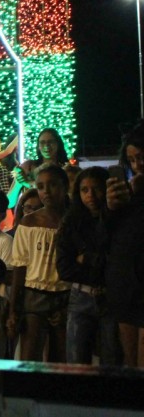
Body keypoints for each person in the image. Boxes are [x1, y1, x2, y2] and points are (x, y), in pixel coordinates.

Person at [8, 165, 71, 362]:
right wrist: (14, 308)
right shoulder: (28, 222)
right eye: (41, 186)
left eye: (53, 185)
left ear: (65, 186)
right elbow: (20, 267)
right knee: (30, 355)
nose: (46, 191)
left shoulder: (74, 220)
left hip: (65, 295)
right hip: (34, 294)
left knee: (60, 356)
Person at [57, 167, 118, 365]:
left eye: (96, 189)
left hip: (111, 296)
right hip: (81, 296)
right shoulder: (71, 222)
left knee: (111, 359)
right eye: (84, 190)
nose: (90, 195)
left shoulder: (118, 219)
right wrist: (97, 262)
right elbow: (64, 268)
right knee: (76, 361)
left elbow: (117, 263)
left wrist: (86, 259)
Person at [105, 122, 144, 367]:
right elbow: (107, 238)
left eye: (141, 157)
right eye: (131, 160)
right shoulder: (126, 195)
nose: (137, 165)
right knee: (130, 362)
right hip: (126, 286)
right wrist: (110, 208)